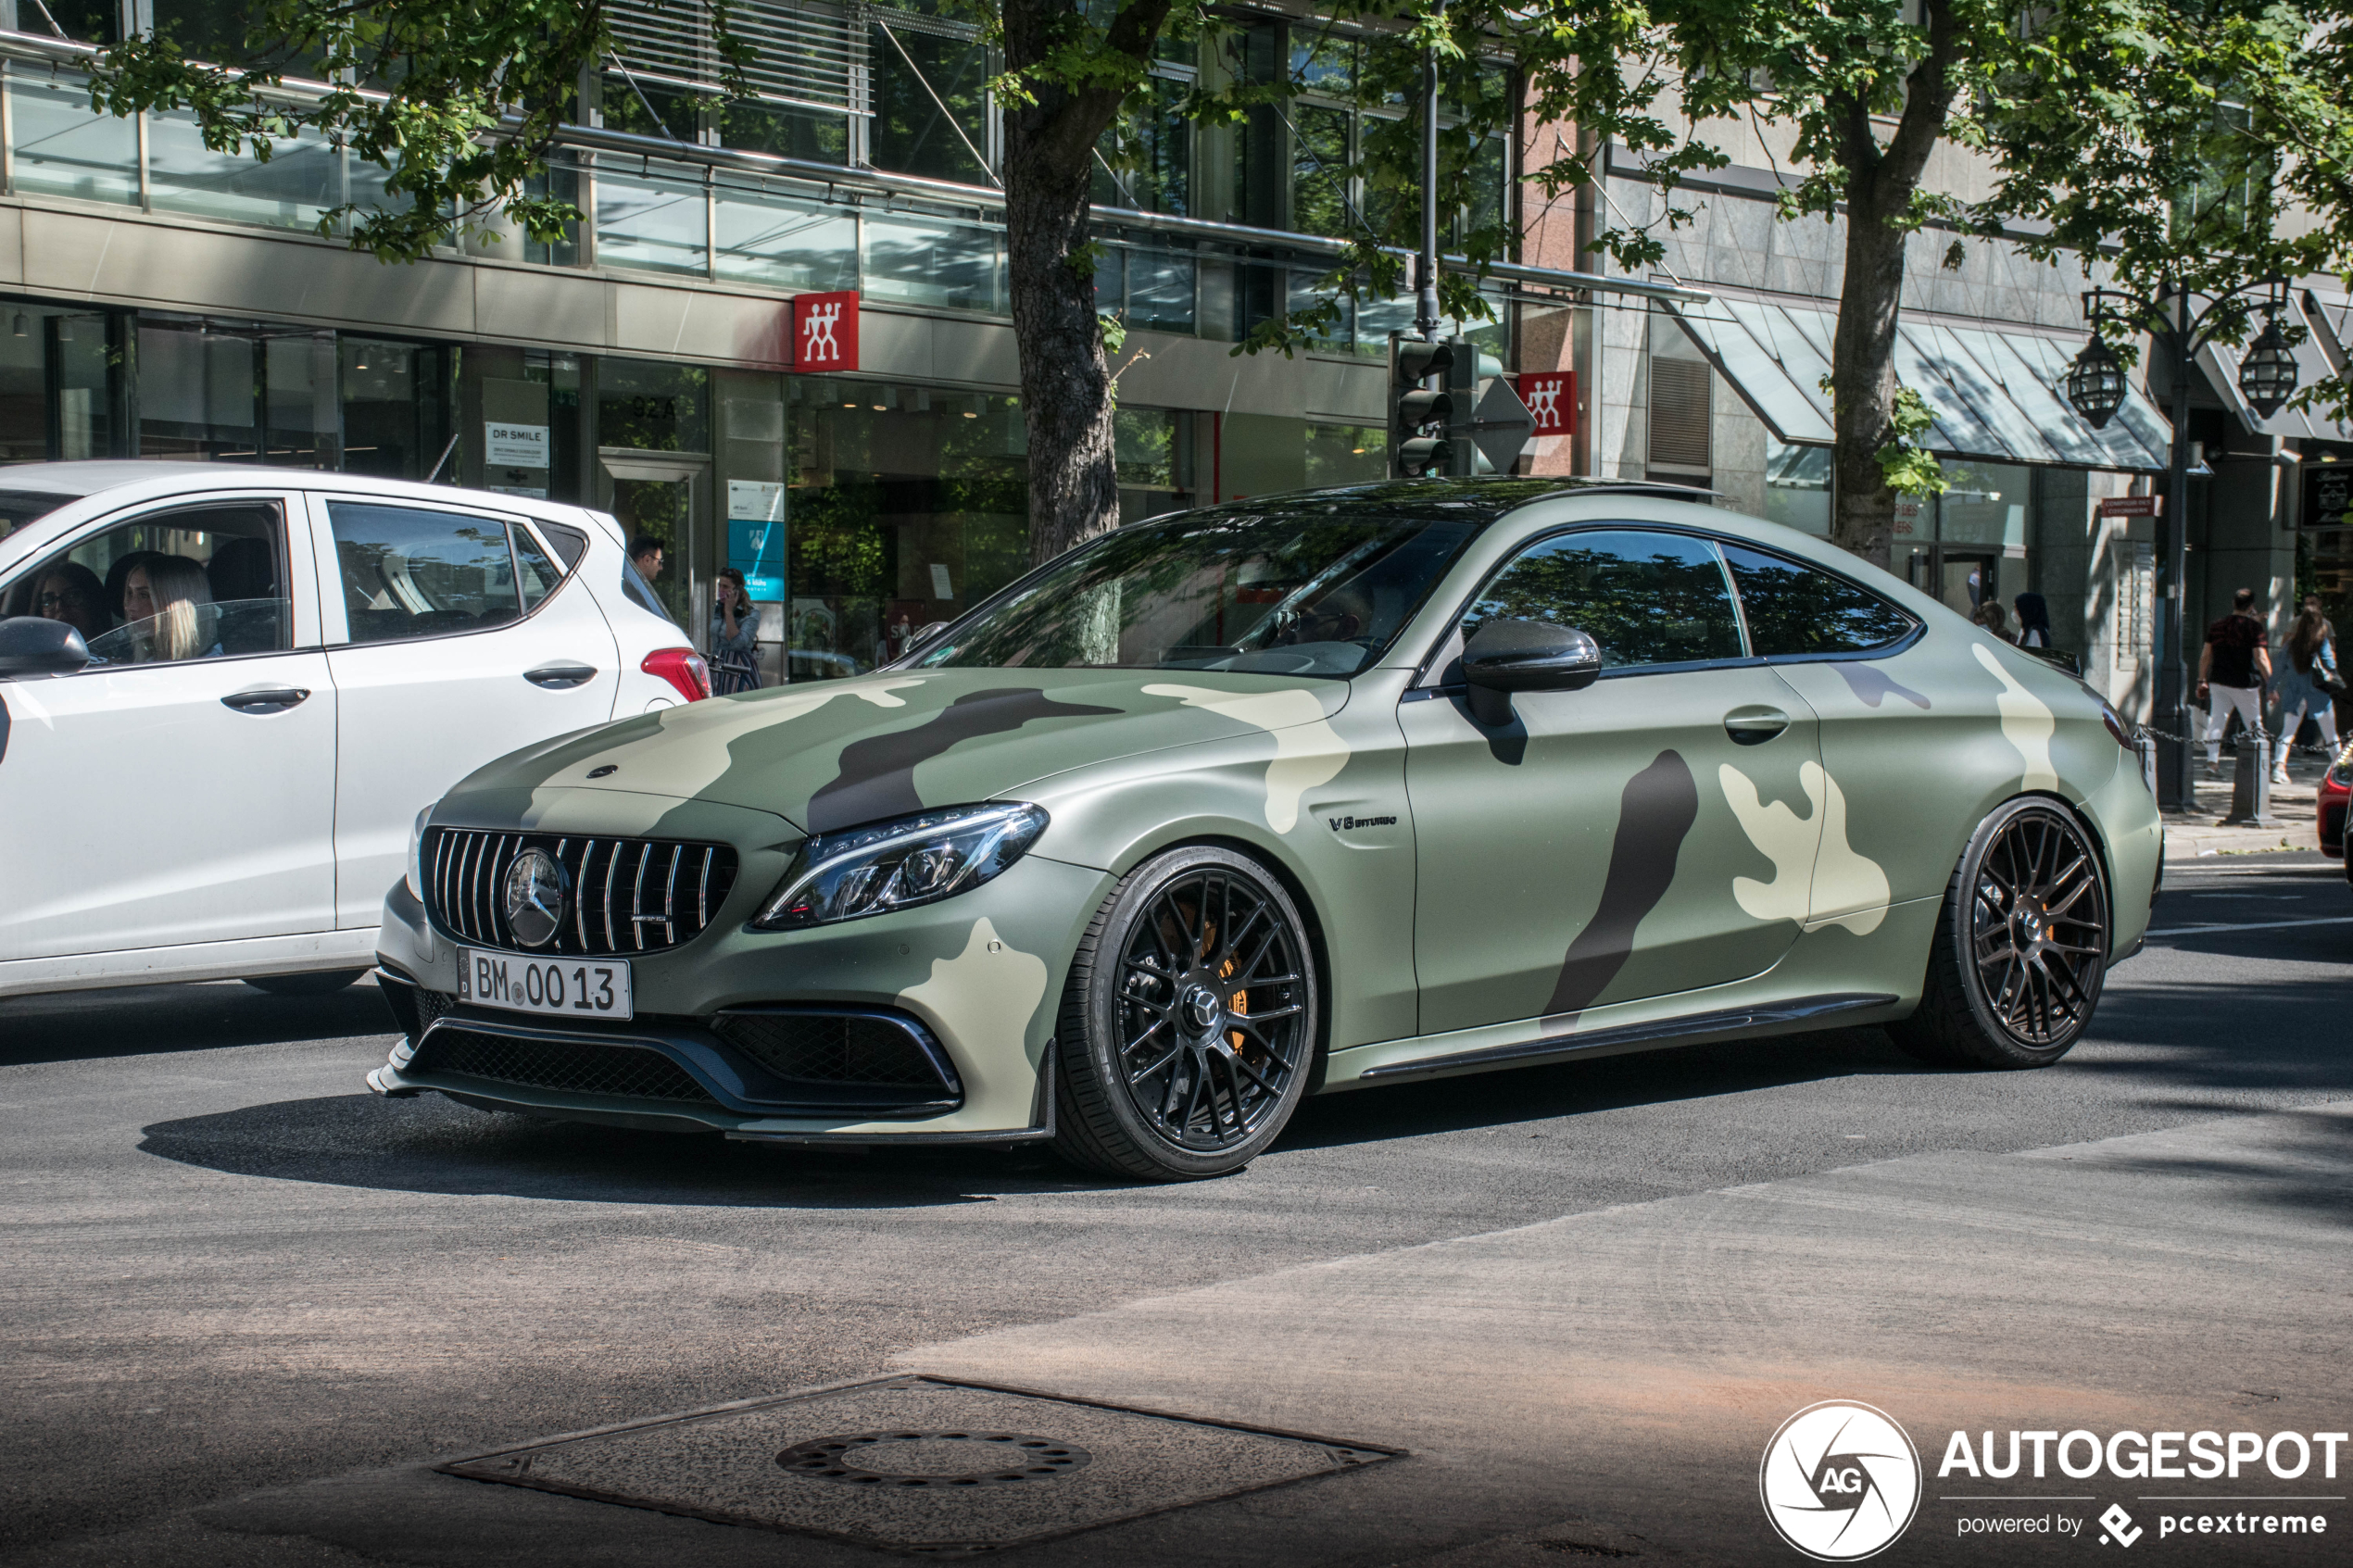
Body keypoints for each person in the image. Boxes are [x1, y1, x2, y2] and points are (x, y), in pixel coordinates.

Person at [2196, 587, 2272, 771]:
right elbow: (2260, 658)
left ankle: (2212, 762)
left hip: (2219, 680)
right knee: (2254, 723)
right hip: (2245, 682)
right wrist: (2271, 682)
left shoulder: (2218, 625)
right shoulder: (2254, 627)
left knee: (2217, 721)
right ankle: (2261, 764)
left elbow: (2206, 655)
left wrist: (2201, 679)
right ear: (2251, 606)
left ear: (2233, 603)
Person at [2268, 603, 2343, 784]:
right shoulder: (2321, 642)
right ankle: (2341, 770)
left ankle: (2279, 768)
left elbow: (2278, 668)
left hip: (2294, 693)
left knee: (2287, 732)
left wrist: (2271, 688)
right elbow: (2329, 665)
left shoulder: (2291, 644)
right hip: (2318, 694)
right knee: (2330, 734)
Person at [120, 555, 220, 663]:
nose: (129, 606)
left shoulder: (212, 668)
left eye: (145, 595)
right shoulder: (148, 659)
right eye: (130, 593)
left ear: (176, 605)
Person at [708, 568, 762, 695]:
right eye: (720, 586)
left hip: (738, 668)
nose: (721, 590)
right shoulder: (717, 609)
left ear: (737, 591)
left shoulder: (751, 614)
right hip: (717, 667)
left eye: (726, 587)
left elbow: (737, 643)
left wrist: (729, 612)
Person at [33, 561, 110, 644]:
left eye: (72, 596)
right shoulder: (34, 655)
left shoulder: (116, 649)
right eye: (48, 600)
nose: (59, 607)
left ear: (93, 602)